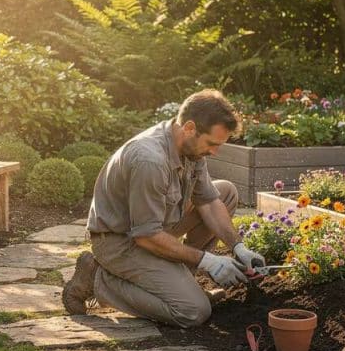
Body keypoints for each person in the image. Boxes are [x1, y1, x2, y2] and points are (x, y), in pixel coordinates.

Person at [63, 89, 266, 328]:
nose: (214, 152)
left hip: (153, 228)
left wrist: (238, 246)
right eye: (212, 143)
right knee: (193, 311)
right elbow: (146, 237)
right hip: (119, 242)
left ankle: (181, 282)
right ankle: (97, 278)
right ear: (189, 128)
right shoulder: (149, 160)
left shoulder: (190, 149)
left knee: (225, 192)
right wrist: (207, 261)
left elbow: (209, 202)